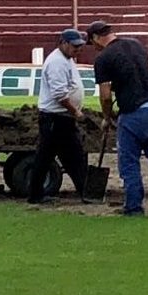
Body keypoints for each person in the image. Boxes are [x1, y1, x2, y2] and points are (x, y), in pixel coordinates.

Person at [87, 20, 148, 216]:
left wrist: (107, 116)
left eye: (92, 43)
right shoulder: (135, 44)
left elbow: (104, 95)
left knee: (129, 162)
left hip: (132, 112)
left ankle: (134, 207)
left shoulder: (103, 59)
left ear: (96, 38)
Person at [28, 29, 88, 204]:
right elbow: (59, 94)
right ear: (63, 43)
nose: (78, 50)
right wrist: (75, 112)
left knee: (49, 156)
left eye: (80, 46)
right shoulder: (57, 62)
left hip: (59, 117)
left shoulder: (65, 59)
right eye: (75, 46)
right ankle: (85, 191)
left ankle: (36, 194)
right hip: (57, 117)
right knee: (71, 155)